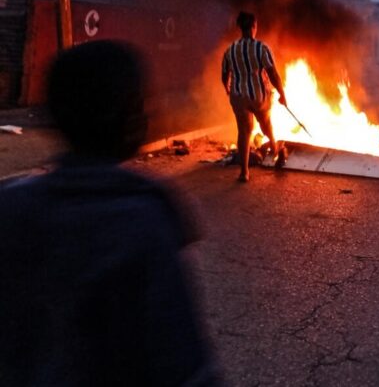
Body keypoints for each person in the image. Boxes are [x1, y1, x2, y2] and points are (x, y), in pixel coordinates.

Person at [0, 40, 219, 386]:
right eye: (140, 104)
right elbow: (184, 367)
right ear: (128, 121)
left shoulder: (11, 207)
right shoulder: (145, 221)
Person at [222, 11, 287, 183]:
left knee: (244, 131)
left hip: (238, 95)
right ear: (253, 27)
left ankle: (244, 173)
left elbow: (224, 75)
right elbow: (272, 73)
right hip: (259, 95)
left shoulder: (230, 50)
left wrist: (228, 89)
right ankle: (276, 150)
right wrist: (282, 94)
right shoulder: (261, 48)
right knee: (266, 126)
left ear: (240, 28)